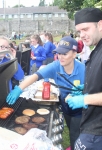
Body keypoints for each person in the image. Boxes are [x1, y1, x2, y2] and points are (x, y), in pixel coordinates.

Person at [6, 36, 85, 150]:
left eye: (65, 54)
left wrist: (84, 94)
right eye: (59, 53)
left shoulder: (84, 70)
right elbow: (35, 76)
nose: (60, 57)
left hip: (81, 108)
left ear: (74, 54)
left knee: (75, 134)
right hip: (66, 105)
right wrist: (19, 89)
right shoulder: (56, 65)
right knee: (70, 125)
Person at [66, 8, 102, 149]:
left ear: (100, 25)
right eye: (79, 31)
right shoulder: (96, 48)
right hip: (90, 123)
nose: (82, 35)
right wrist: (86, 89)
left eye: (85, 29)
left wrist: (85, 99)